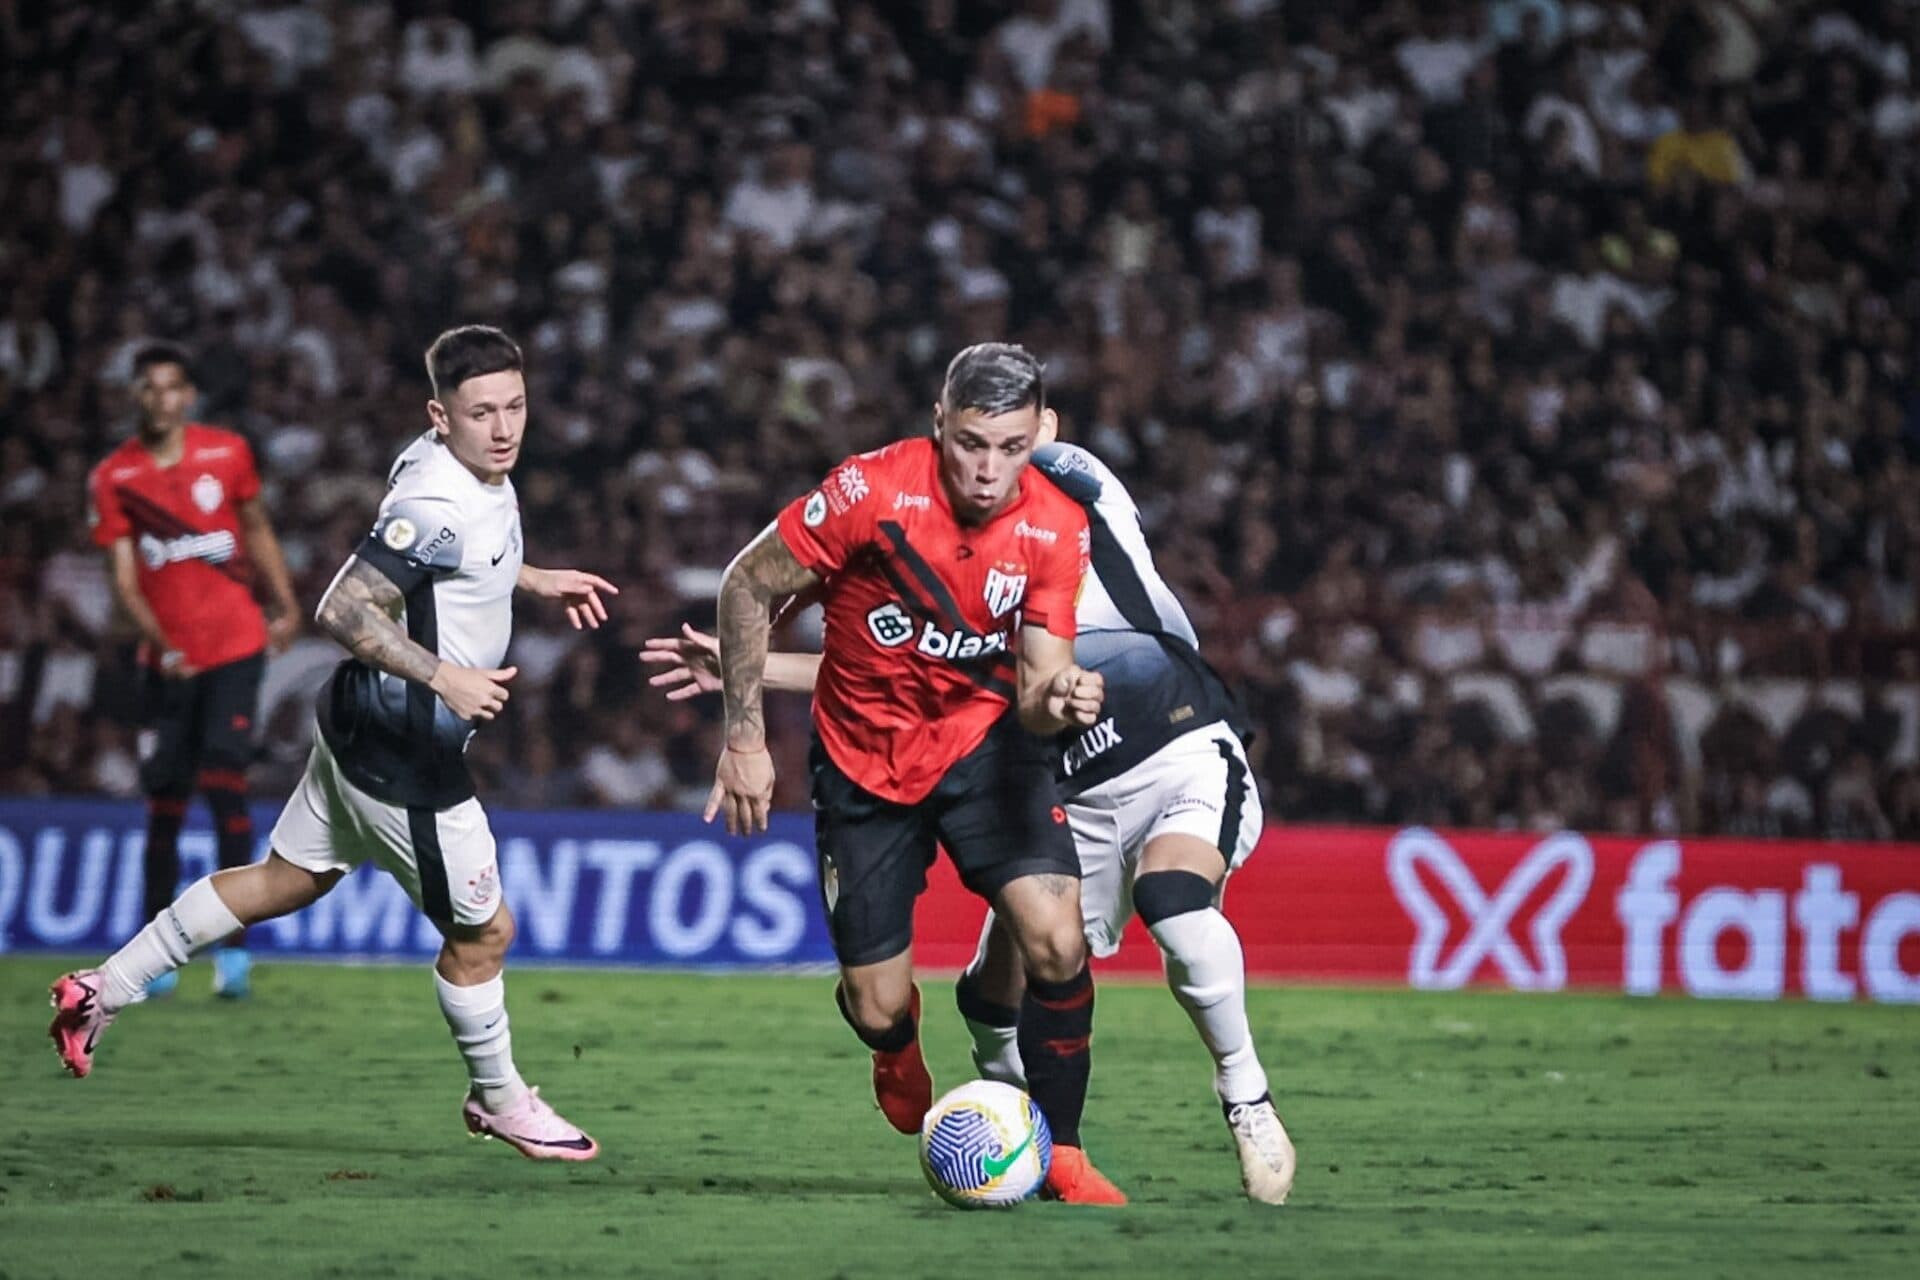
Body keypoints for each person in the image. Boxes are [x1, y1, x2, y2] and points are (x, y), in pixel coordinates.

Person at [644, 432, 1296, 1205]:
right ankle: (1021, 1134)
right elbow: (901, 668)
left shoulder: (1072, 497)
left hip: (1177, 748)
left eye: (1015, 440)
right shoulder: (959, 568)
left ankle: (1244, 1096)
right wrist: (751, 668)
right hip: (1073, 793)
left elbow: (1034, 452)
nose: (993, 471)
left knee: (1173, 904)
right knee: (989, 997)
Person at [52, 326, 616, 1161]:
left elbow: (458, 561)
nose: (503, 428)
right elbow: (343, 608)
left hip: (358, 724)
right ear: (439, 416)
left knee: (286, 879)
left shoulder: (453, 467)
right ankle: (499, 1099)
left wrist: (532, 576)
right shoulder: (435, 501)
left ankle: (103, 988)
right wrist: (444, 677)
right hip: (403, 747)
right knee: (483, 936)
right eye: (481, 412)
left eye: (515, 406)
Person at [701, 342, 1127, 1204]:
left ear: (1041, 435)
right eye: (972, 443)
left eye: (1011, 448)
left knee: (1057, 935)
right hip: (864, 764)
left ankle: (1066, 1153)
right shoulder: (871, 492)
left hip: (988, 751)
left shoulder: (1056, 524)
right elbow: (747, 584)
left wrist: (1066, 695)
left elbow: (1039, 689)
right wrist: (746, 736)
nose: (988, 469)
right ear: (940, 422)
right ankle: (895, 1044)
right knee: (874, 1005)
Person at [86, 342, 302, 1000]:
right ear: (137, 397)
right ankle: (158, 954)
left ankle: (233, 954)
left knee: (224, 776)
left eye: (172, 386)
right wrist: (160, 641)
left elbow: (258, 527)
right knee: (167, 800)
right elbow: (125, 581)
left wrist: (285, 603)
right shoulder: (116, 477)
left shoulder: (226, 454)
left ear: (188, 396)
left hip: (236, 644)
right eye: (149, 388)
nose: (161, 398)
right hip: (168, 659)